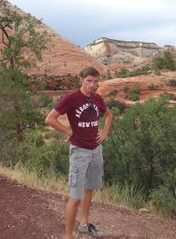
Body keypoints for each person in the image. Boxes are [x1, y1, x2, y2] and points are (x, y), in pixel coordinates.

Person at [45, 66, 113, 239]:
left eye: (96, 81)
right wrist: (68, 131)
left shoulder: (97, 98)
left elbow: (109, 116)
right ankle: (68, 235)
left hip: (95, 150)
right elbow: (50, 119)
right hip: (80, 152)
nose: (93, 85)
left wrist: (104, 133)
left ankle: (83, 225)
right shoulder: (72, 98)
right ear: (81, 80)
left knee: (89, 189)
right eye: (89, 81)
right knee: (75, 197)